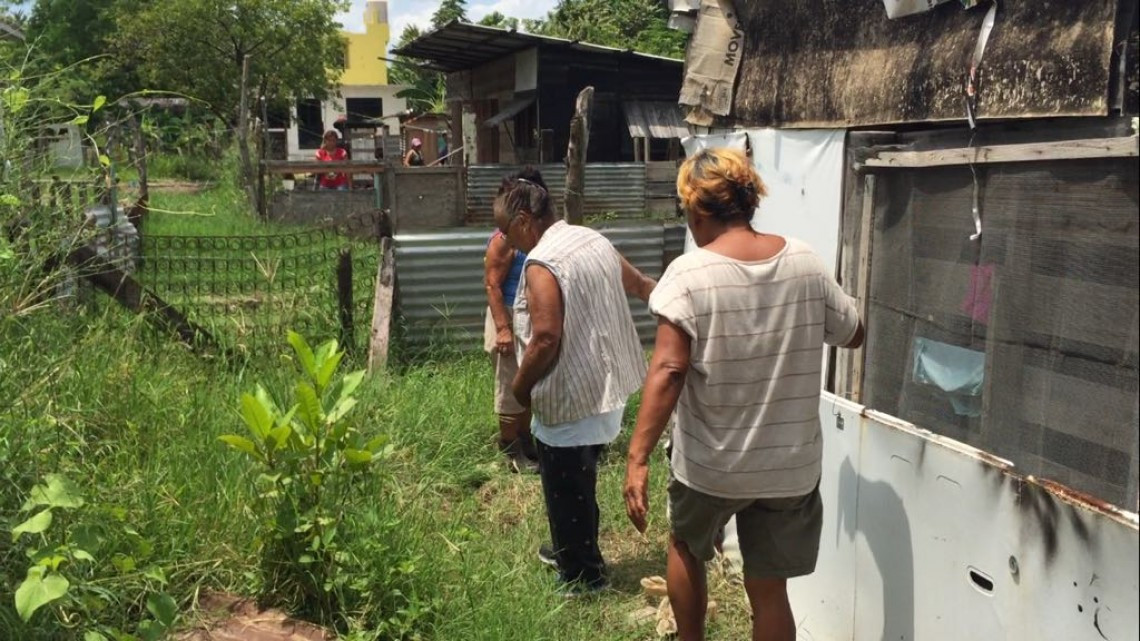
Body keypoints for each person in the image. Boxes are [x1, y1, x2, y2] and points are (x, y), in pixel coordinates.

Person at [622, 148, 864, 641]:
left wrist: (637, 456)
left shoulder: (688, 274)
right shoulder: (804, 262)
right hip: (788, 468)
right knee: (770, 588)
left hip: (711, 464)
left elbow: (669, 369)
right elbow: (855, 333)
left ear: (697, 210)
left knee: (687, 547)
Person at [494, 173, 656, 595]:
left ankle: (584, 576)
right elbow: (639, 284)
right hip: (605, 387)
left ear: (524, 220)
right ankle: (572, 549)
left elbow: (546, 337)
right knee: (579, 481)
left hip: (571, 395)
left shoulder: (542, 263)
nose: (506, 241)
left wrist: (520, 388)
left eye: (505, 230)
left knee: (566, 487)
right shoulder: (591, 239)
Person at [484, 168, 544, 474]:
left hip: (527, 316)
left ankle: (525, 442)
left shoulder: (534, 233)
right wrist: (503, 330)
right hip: (506, 315)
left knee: (527, 383)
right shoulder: (504, 239)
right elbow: (492, 285)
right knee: (509, 386)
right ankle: (510, 451)